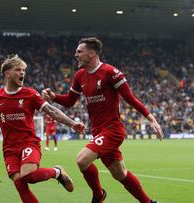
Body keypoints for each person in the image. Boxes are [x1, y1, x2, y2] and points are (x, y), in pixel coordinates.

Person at [0, 54, 86, 203]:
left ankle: (57, 172)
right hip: (9, 148)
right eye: (18, 70)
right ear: (7, 73)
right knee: (19, 183)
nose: (22, 73)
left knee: (28, 175)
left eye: (23, 70)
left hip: (29, 143)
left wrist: (72, 123)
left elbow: (51, 110)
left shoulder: (30, 94)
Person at [42, 37, 163, 203]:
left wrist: (151, 119)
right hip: (98, 132)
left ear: (91, 53)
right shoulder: (79, 76)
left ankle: (98, 195)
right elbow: (70, 101)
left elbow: (130, 98)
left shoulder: (110, 72)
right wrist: (54, 97)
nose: (75, 55)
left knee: (82, 160)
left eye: (79, 51)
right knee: (120, 174)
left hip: (112, 130)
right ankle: (148, 202)